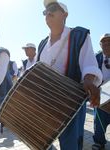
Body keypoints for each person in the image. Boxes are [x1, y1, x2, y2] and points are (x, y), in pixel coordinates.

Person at [37, 0, 102, 150]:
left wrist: (88, 80)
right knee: (40, 140)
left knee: (70, 145)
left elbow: (89, 64)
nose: (48, 12)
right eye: (45, 11)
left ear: (65, 14)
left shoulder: (79, 35)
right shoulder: (42, 43)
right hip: (46, 102)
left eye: (53, 8)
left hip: (71, 103)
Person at [92, 33, 110, 150]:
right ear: (100, 44)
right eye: (104, 42)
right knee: (98, 122)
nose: (107, 44)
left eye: (109, 41)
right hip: (101, 96)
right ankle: (99, 142)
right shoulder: (95, 58)